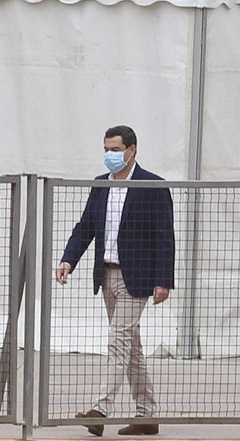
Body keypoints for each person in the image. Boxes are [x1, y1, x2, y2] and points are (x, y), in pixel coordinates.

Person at [56, 126, 175, 436]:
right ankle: (146, 415)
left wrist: (163, 280)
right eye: (106, 149)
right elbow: (85, 227)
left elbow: (165, 237)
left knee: (118, 341)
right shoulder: (100, 185)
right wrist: (68, 259)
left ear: (131, 150)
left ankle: (100, 409)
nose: (110, 155)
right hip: (107, 275)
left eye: (115, 149)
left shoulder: (152, 185)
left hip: (137, 278)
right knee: (131, 346)